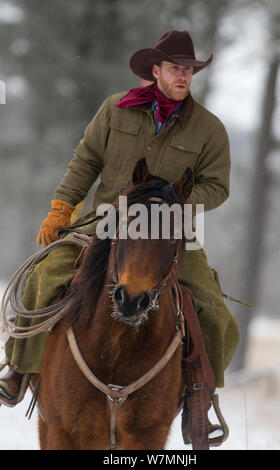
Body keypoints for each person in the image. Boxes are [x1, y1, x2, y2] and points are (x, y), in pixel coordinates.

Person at [0, 30, 239, 406]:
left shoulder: (210, 129)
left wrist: (175, 208)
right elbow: (87, 160)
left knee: (216, 313)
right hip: (104, 223)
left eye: (189, 71)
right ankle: (20, 368)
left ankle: (199, 397)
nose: (183, 76)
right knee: (43, 276)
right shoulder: (116, 109)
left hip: (168, 233)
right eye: (176, 68)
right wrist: (62, 207)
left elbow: (218, 187)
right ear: (156, 70)